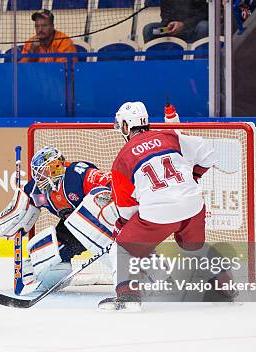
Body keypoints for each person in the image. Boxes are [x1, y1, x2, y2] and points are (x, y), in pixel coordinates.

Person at [99, 102, 236, 311]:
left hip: (158, 213)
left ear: (126, 126)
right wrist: (195, 175)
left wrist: (125, 231)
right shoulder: (170, 136)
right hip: (193, 205)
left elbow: (128, 212)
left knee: (122, 250)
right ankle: (225, 283)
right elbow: (209, 154)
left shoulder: (122, 159)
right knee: (194, 247)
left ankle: (128, 297)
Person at [0, 146, 116, 294]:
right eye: (40, 172)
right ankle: (39, 283)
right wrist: (15, 216)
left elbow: (111, 183)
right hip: (72, 227)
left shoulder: (78, 173)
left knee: (116, 253)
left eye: (46, 170)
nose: (42, 175)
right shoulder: (37, 188)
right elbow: (24, 202)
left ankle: (130, 275)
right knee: (48, 255)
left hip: (99, 222)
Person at [142, 0, 208, 44]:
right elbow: (165, 15)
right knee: (151, 30)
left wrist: (184, 25)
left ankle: (199, 62)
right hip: (171, 29)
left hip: (192, 28)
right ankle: (155, 64)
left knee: (204, 27)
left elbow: (204, 13)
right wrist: (170, 24)